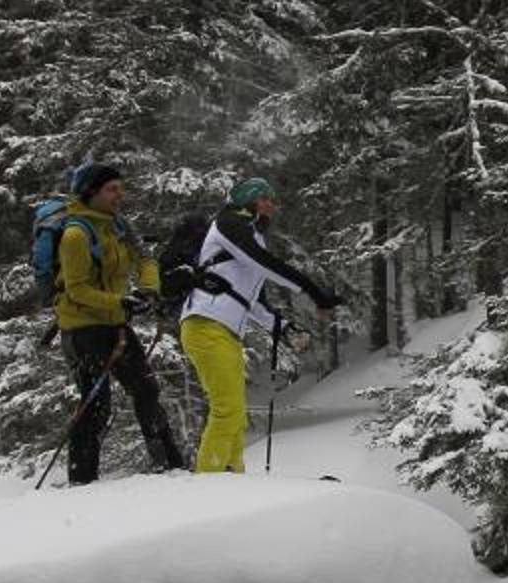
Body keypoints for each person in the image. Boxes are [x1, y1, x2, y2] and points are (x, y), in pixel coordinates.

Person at [175, 177, 343, 474]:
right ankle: (208, 482)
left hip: (223, 331)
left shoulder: (251, 235)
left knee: (235, 412)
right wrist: (313, 292)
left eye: (271, 199)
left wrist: (284, 327)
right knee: (227, 409)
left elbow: (249, 301)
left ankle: (233, 477)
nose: (270, 205)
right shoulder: (228, 222)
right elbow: (265, 263)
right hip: (205, 324)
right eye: (264, 198)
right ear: (248, 198)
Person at [51, 162, 188, 484]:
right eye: (112, 189)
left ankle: (171, 466)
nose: (120, 195)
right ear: (91, 192)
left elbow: (146, 259)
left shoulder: (118, 226)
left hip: (114, 324)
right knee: (96, 404)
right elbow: (77, 289)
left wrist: (148, 289)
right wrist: (121, 301)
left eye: (121, 188)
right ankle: (82, 481)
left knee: (146, 390)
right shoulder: (75, 235)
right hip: (82, 329)